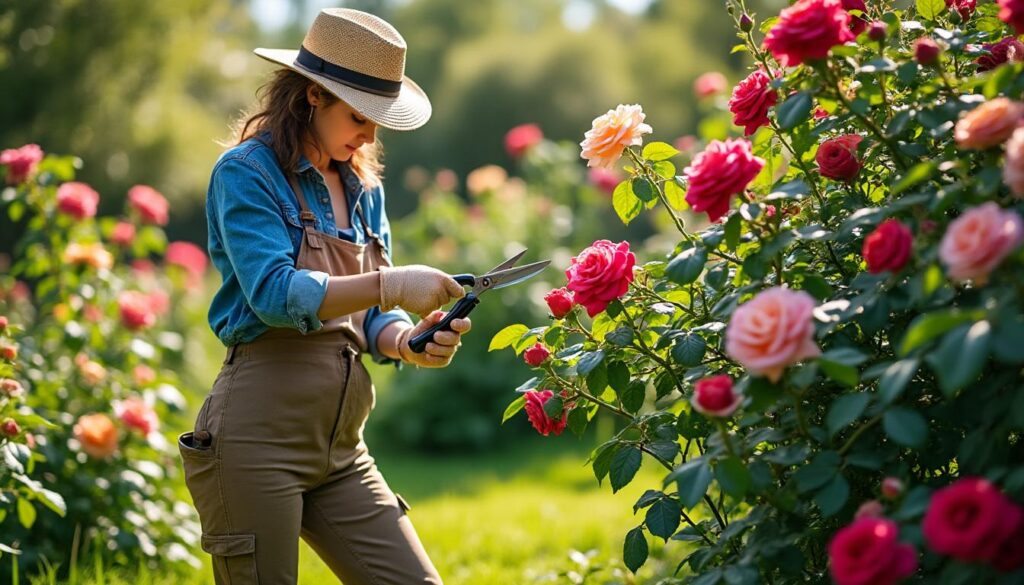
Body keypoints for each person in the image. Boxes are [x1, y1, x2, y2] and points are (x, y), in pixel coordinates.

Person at [177, 8, 467, 584]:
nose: (369, 135)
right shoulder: (245, 173)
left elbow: (370, 317)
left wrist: (408, 341)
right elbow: (273, 294)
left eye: (379, 121)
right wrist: (390, 282)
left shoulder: (365, 189)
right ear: (312, 95)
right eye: (360, 116)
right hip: (258, 439)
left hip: (342, 447)